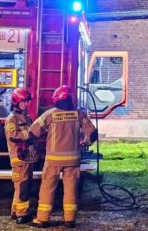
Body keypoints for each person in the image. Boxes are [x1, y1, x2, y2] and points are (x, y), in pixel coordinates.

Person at [29, 86, 97, 228]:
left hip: (53, 160)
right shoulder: (79, 114)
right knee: (71, 189)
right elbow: (93, 133)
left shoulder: (49, 114)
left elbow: (33, 132)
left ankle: (42, 219)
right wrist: (86, 142)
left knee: (47, 188)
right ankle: (70, 219)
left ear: (56, 99)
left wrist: (33, 146)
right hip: (73, 160)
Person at [4, 88, 38, 224]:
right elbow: (14, 136)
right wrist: (30, 135)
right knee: (23, 186)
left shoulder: (27, 117)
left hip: (28, 157)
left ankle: (15, 211)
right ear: (16, 102)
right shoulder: (11, 119)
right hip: (19, 158)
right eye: (23, 102)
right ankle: (22, 215)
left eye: (27, 101)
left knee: (22, 185)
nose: (26, 104)